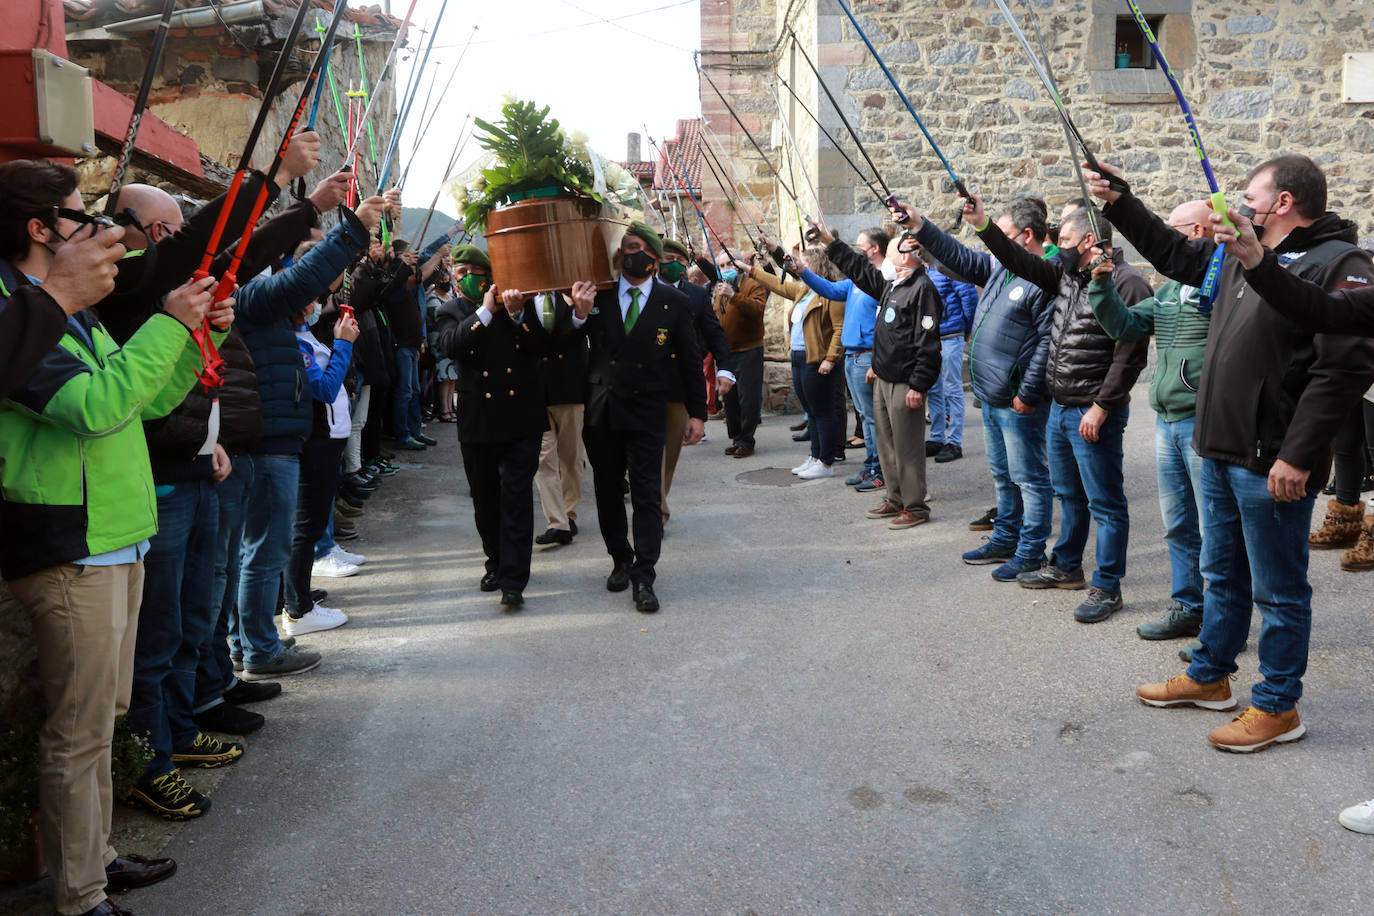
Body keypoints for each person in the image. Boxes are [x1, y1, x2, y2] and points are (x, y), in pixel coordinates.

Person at [0, 159, 237, 916]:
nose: (103, 232)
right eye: (83, 216)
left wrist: (185, 333)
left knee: (100, 720)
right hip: (74, 549)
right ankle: (81, 895)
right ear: (40, 231)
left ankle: (95, 858)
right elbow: (98, 407)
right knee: (78, 733)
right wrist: (168, 323)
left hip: (116, 536)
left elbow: (139, 403)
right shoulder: (17, 317)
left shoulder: (65, 313)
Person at [1089, 155, 1374, 752]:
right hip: (1215, 447)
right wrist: (1121, 200)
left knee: (1279, 589)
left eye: (1250, 196)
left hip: (1271, 457)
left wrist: (1298, 454)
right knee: (1220, 571)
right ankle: (1210, 675)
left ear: (1285, 202)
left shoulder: (1340, 263)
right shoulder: (1238, 255)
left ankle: (1277, 706)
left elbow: (1341, 372)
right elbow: (1173, 254)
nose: (1238, 205)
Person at [965, 196, 1147, 623]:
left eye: (1063, 238)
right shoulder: (1070, 274)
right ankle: (1066, 566)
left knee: (1106, 503)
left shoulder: (1127, 281)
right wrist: (983, 225)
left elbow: (1129, 355)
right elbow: (1022, 261)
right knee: (1069, 495)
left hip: (1093, 412)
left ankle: (1107, 586)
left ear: (1087, 240)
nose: (1055, 245)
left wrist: (1101, 408)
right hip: (1062, 408)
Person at [233, 195, 384, 682]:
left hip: (279, 439)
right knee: (264, 553)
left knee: (256, 551)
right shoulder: (250, 292)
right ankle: (259, 646)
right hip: (271, 442)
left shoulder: (265, 301)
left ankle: (243, 645)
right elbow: (302, 280)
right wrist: (350, 229)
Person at [901, 196, 1057, 583]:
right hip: (991, 396)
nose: (994, 243)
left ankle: (1031, 550)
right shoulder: (1001, 268)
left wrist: (1028, 392)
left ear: (1026, 236)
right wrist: (921, 225)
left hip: (1018, 400)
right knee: (1003, 476)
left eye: (1001, 235)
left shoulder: (1046, 275)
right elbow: (960, 256)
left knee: (1030, 479)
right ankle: (1006, 537)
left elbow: (1045, 343)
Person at [1085, 199, 1214, 643]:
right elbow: (1125, 328)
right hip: (1166, 422)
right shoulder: (1165, 292)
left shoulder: (1217, 284)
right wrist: (1101, 287)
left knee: (1213, 528)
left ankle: (1219, 619)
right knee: (1178, 524)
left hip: (1202, 423)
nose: (1162, 240)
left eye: (1171, 229)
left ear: (1195, 232)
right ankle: (1187, 606)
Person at [567, 222, 706, 613]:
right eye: (630, 246)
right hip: (603, 411)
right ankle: (620, 560)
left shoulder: (673, 302)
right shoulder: (599, 296)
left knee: (646, 494)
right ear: (618, 255)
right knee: (608, 491)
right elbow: (565, 343)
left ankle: (645, 575)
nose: (637, 253)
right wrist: (577, 316)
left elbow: (692, 362)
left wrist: (698, 413)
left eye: (645, 247)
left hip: (648, 411)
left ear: (657, 257)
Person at [435, 249, 551, 607]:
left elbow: (542, 347)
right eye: (461, 270)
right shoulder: (450, 311)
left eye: (475, 270)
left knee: (516, 498)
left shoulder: (521, 304)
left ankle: (514, 580)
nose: (467, 275)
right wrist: (485, 312)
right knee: (485, 500)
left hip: (521, 416)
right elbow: (449, 345)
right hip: (478, 419)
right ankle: (495, 562)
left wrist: (516, 314)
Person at [817, 223, 943, 528]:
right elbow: (860, 270)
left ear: (907, 256)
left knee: (907, 446)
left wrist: (918, 383)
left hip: (905, 382)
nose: (883, 259)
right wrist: (831, 243)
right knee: (887, 444)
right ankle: (895, 498)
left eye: (889, 253)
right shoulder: (893, 284)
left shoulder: (921, 289)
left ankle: (915, 506)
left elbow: (927, 344)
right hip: (884, 378)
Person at [281, 299, 359, 633]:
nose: (315, 305)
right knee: (305, 527)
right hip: (316, 440)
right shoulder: (295, 342)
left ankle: (295, 593)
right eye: (309, 299)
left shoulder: (306, 334)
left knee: (309, 525)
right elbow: (324, 389)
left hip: (328, 439)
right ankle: (298, 609)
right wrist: (343, 344)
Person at [796, 227, 887, 490]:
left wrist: (876, 361)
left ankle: (878, 469)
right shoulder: (856, 282)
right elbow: (830, 290)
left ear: (874, 248)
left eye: (860, 245)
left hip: (866, 356)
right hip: (852, 356)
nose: (856, 249)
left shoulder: (879, 280)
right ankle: (870, 466)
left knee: (872, 418)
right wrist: (803, 272)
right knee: (864, 416)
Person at [751, 233, 846, 479]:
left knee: (823, 411)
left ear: (815, 266)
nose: (796, 265)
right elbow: (779, 285)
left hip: (818, 359)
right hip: (798, 357)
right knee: (811, 411)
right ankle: (814, 456)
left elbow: (839, 329)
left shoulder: (830, 292)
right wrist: (751, 270)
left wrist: (830, 358)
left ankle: (826, 462)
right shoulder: (804, 290)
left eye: (802, 261)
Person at [658, 238, 733, 521]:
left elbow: (714, 333)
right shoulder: (644, 291)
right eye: (666, 258)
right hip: (644, 384)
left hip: (679, 386)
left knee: (670, 453)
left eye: (678, 260)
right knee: (646, 453)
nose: (672, 265)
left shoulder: (697, 295)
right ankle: (655, 510)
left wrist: (725, 367)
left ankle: (657, 501)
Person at [532, 289, 588, 545]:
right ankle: (558, 522)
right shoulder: (520, 296)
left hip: (569, 386)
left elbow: (583, 332)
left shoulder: (573, 294)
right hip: (534, 388)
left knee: (571, 456)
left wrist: (576, 309)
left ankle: (569, 512)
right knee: (543, 458)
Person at [923, 253, 978, 463]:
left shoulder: (948, 267)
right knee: (935, 389)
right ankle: (937, 437)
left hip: (950, 335)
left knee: (952, 388)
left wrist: (967, 327)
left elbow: (969, 297)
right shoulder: (926, 268)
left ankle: (954, 442)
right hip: (932, 338)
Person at [714, 247, 768, 458]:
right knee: (731, 399)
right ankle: (737, 438)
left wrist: (734, 296)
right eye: (722, 266)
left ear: (739, 264)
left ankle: (747, 440)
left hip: (749, 350)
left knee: (748, 398)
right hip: (728, 352)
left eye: (729, 264)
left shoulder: (753, 285)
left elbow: (756, 310)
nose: (726, 269)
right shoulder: (720, 289)